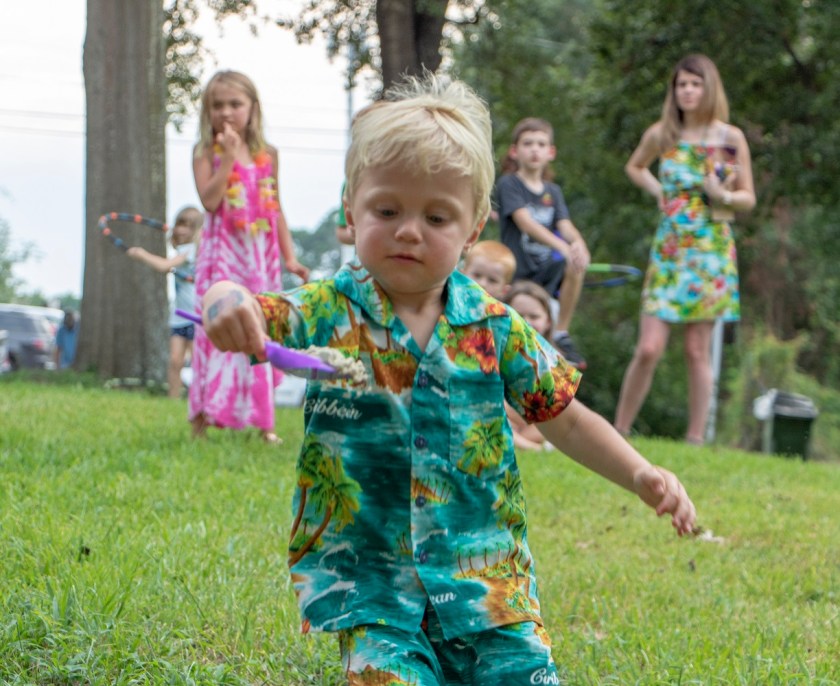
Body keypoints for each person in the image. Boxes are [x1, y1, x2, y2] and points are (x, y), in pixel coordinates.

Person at [199, 75, 696, 685]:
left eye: (437, 216)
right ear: (352, 206)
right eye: (387, 210)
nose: (409, 230)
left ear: (474, 226)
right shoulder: (329, 307)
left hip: (486, 585)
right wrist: (224, 298)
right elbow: (256, 306)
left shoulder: (496, 328)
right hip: (373, 586)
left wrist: (641, 473)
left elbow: (564, 416)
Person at [613, 54, 755, 445]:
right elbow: (635, 166)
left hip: (711, 250)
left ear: (709, 89)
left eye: (695, 84)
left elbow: (748, 199)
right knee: (649, 347)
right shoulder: (663, 134)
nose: (688, 91)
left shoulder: (729, 138)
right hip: (671, 248)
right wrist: (658, 191)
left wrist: (722, 193)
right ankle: (619, 431)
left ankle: (695, 440)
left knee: (697, 349)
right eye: (682, 85)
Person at [190, 70, 310, 442]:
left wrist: (289, 258)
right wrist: (225, 159)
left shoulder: (267, 155)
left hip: (261, 258)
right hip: (222, 256)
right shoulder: (205, 153)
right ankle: (202, 419)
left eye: (235, 104)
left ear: (253, 109)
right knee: (216, 327)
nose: (226, 112)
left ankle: (264, 424)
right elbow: (209, 202)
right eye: (217, 105)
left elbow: (277, 210)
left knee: (259, 327)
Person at [496, 117, 591, 369]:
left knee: (575, 264)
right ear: (515, 151)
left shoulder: (553, 191)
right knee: (518, 339)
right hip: (517, 273)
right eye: (528, 143)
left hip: (545, 272)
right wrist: (562, 247)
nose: (534, 149)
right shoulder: (509, 183)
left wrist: (578, 244)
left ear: (551, 152)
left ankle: (561, 332)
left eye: (541, 144)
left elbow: (565, 225)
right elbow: (525, 222)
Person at [127, 206, 204, 399]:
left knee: (197, 361)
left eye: (189, 226)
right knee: (175, 360)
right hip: (179, 315)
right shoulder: (182, 251)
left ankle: (199, 398)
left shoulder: (190, 250)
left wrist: (141, 254)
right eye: (180, 224)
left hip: (196, 315)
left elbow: (164, 266)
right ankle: (173, 398)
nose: (183, 230)